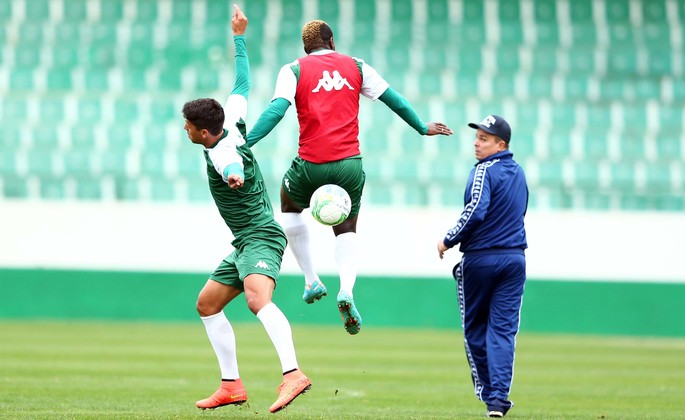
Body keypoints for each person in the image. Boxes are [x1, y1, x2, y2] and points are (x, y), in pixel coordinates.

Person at [245, 19, 453, 335]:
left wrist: (247, 143)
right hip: (349, 165)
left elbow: (277, 110)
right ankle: (347, 290)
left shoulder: (293, 70)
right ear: (332, 41)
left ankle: (311, 279)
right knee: (347, 226)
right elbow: (393, 99)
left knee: (288, 203)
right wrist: (422, 126)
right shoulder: (356, 66)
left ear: (306, 47)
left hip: (311, 164)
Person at [181, 5, 310, 414]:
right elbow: (242, 81)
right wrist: (239, 37)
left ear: (203, 131)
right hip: (244, 242)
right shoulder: (233, 119)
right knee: (207, 304)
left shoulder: (219, 153)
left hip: (262, 235)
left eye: (187, 126)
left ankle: (293, 375)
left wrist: (234, 175)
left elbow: (229, 165)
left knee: (257, 300)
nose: (184, 130)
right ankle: (231, 384)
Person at [436, 115, 528, 418]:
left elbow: (475, 211)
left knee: (475, 329)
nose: (477, 143)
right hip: (515, 259)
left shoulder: (483, 171)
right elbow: (521, 209)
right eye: (477, 138)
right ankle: (498, 400)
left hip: (480, 259)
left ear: (501, 144)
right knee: (502, 332)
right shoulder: (519, 173)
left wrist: (448, 239)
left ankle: (488, 392)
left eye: (484, 139)